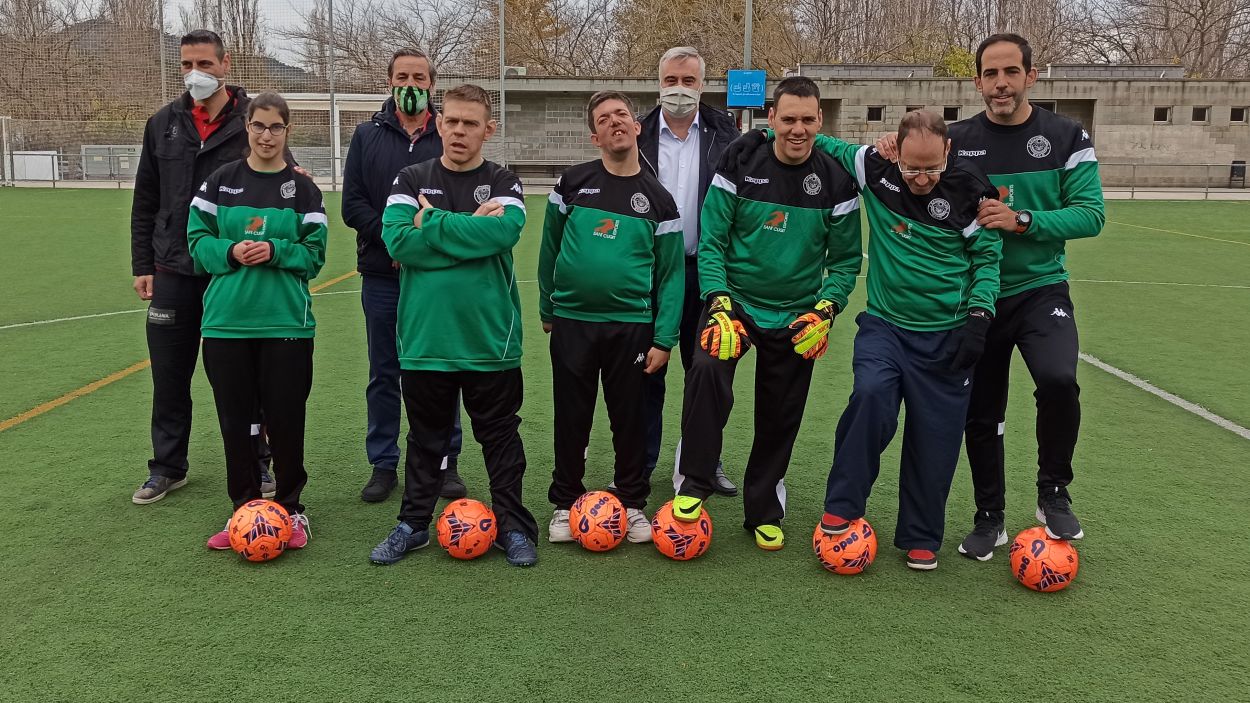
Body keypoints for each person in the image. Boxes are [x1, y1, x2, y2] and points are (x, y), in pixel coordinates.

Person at [875, 34, 1104, 557]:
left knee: (1059, 378)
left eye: (1011, 72)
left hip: (1039, 288)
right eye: (991, 74)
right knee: (982, 409)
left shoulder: (1065, 135)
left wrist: (1022, 220)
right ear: (977, 81)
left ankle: (1053, 492)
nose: (1001, 83)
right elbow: (914, 167)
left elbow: (1091, 214)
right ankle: (989, 516)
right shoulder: (955, 140)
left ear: (1031, 76)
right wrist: (890, 146)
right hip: (974, 298)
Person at [800, 110, 1002, 571]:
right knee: (870, 395)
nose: (922, 179)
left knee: (936, 437)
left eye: (932, 168)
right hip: (885, 327)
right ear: (897, 154)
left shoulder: (973, 189)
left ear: (948, 151)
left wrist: (979, 319)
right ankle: (843, 503)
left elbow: (988, 262)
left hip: (948, 336)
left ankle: (921, 534)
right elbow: (818, 140)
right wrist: (769, 132)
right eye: (912, 168)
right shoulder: (875, 168)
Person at [668, 77, 862, 551]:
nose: (798, 129)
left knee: (781, 412)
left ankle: (764, 509)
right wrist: (717, 301)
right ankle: (695, 480)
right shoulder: (740, 160)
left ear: (820, 121)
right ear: (771, 118)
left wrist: (826, 309)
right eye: (788, 119)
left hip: (797, 312)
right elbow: (712, 241)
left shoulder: (836, 179)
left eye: (808, 120)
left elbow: (844, 263)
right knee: (705, 371)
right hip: (734, 302)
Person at [369, 84, 538, 568]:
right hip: (427, 339)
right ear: (439, 124)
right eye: (452, 121)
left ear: (489, 129)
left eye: (471, 123)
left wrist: (434, 222)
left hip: (490, 339)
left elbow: (503, 233)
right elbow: (398, 243)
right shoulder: (410, 177)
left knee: (501, 440)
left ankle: (513, 526)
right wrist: (469, 231)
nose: (459, 131)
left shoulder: (504, 181)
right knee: (425, 440)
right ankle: (413, 524)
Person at [130, 29, 281, 505]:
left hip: (231, 272)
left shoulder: (254, 119)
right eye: (186, 65)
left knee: (242, 379)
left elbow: (280, 184)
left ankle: (257, 463)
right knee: (169, 375)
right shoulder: (163, 123)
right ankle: (167, 467)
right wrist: (143, 263)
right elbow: (146, 199)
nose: (195, 73)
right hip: (173, 269)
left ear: (225, 64)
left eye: (205, 64)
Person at [538, 91, 683, 546]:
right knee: (571, 415)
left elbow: (671, 275)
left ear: (637, 127)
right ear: (594, 136)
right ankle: (565, 501)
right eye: (603, 119)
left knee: (630, 419)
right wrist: (547, 306)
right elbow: (549, 248)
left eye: (622, 114)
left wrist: (664, 338)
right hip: (573, 321)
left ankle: (633, 501)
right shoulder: (573, 183)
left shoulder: (659, 199)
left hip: (632, 326)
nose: (614, 122)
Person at [188, 92, 326, 550]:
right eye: (259, 126)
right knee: (236, 423)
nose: (267, 136)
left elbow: (314, 255)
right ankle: (243, 510)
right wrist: (229, 251)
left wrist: (275, 250)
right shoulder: (219, 182)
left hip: (286, 324)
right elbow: (196, 244)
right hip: (226, 325)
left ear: (288, 131)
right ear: (247, 127)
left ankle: (291, 509)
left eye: (276, 127)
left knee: (286, 421)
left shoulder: (303, 190)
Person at [343, 48, 468, 504]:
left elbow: (460, 204)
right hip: (382, 274)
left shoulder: (447, 133)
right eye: (402, 77)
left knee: (441, 368)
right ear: (390, 82)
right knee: (384, 372)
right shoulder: (366, 135)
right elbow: (352, 204)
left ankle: (445, 462)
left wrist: (419, 247)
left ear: (431, 83)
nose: (410, 84)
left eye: (418, 77)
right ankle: (383, 463)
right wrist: (394, 242)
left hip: (434, 276)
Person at [637, 46, 741, 495]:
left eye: (688, 81)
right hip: (650, 275)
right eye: (671, 81)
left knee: (708, 372)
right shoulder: (637, 133)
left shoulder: (728, 135)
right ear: (659, 83)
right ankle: (638, 464)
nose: (679, 89)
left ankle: (703, 461)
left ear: (702, 85)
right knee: (645, 372)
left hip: (706, 273)